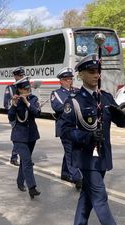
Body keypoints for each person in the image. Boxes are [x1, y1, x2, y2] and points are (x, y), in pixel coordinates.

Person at [61, 53, 125, 225]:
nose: (96, 75)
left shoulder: (105, 97)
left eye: (98, 70)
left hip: (103, 156)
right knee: (100, 197)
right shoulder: (73, 101)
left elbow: (121, 123)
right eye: (91, 71)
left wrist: (122, 114)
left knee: (87, 197)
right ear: (81, 74)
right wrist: (87, 136)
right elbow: (65, 131)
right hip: (86, 157)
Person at [8, 76, 41, 199]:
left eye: (28, 88)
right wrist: (14, 105)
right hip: (19, 136)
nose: (28, 90)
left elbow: (37, 112)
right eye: (25, 89)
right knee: (27, 161)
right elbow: (11, 118)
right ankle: (32, 188)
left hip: (31, 135)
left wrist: (27, 102)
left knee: (24, 161)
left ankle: (20, 181)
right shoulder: (15, 100)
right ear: (19, 90)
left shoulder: (33, 99)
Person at [50, 68, 82, 189]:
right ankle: (77, 177)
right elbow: (58, 107)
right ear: (61, 81)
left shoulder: (77, 91)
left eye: (71, 79)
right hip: (65, 127)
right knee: (70, 152)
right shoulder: (56, 93)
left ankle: (65, 173)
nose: (70, 81)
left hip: (77, 126)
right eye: (67, 79)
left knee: (70, 151)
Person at [3, 67, 24, 166]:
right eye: (19, 75)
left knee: (23, 137)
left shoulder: (25, 87)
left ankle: (23, 157)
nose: (21, 77)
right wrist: (13, 102)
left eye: (22, 75)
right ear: (15, 76)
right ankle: (14, 157)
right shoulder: (10, 88)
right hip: (14, 116)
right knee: (17, 137)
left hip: (24, 115)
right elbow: (5, 104)